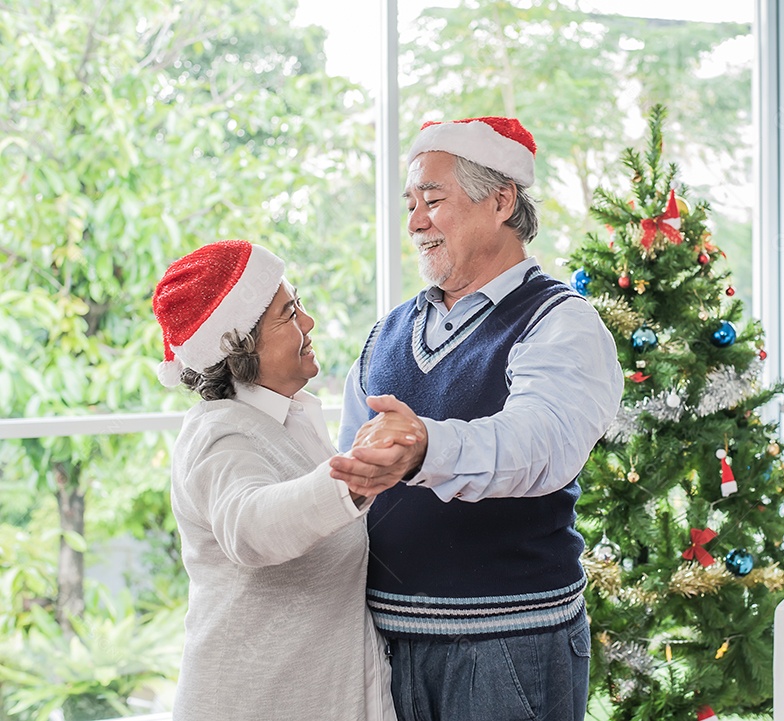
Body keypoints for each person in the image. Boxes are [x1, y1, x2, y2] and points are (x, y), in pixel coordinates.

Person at [337, 117, 623, 721]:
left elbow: (541, 442)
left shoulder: (560, 321)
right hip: (381, 643)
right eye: (411, 204)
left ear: (501, 199)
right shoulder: (386, 333)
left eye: (433, 201)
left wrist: (424, 448)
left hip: (509, 645)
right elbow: (346, 480)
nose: (415, 221)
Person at [152, 239, 411, 721]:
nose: (308, 323)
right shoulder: (219, 435)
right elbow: (250, 527)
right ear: (240, 344)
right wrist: (352, 480)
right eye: (289, 314)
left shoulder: (291, 421)